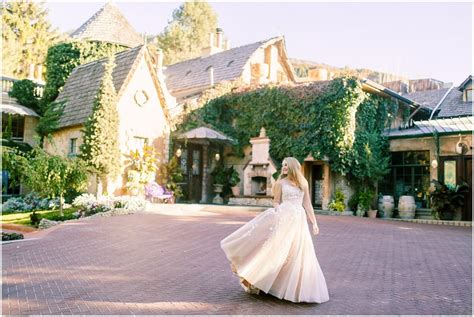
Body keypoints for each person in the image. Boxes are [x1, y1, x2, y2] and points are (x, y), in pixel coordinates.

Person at [220, 157, 330, 303]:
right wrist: (279, 210)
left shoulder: (303, 183)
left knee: (297, 253)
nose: (284, 167)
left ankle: (294, 288)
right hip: (284, 219)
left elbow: (307, 204)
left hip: (298, 221)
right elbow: (276, 201)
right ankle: (259, 279)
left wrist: (314, 223)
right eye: (283, 165)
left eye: (286, 165)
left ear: (292, 167)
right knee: (277, 251)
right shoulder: (280, 183)